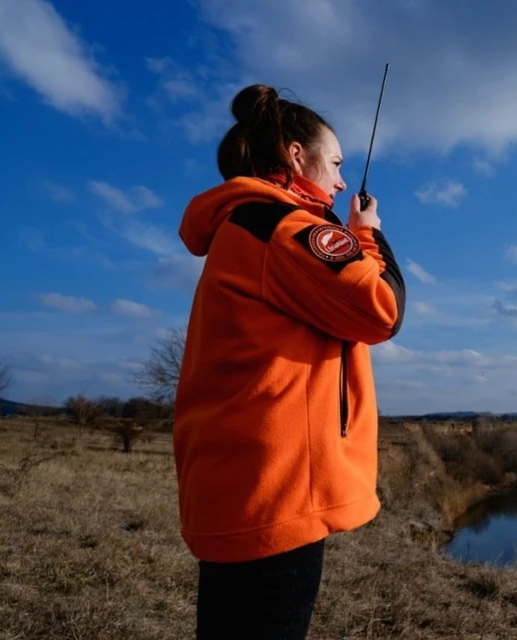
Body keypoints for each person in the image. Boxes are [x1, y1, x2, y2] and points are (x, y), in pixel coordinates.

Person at [171, 84, 406, 639]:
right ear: (296, 156)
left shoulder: (248, 228)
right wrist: (368, 234)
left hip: (243, 488)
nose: (343, 181)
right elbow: (382, 309)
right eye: (337, 162)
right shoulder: (282, 227)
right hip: (275, 497)